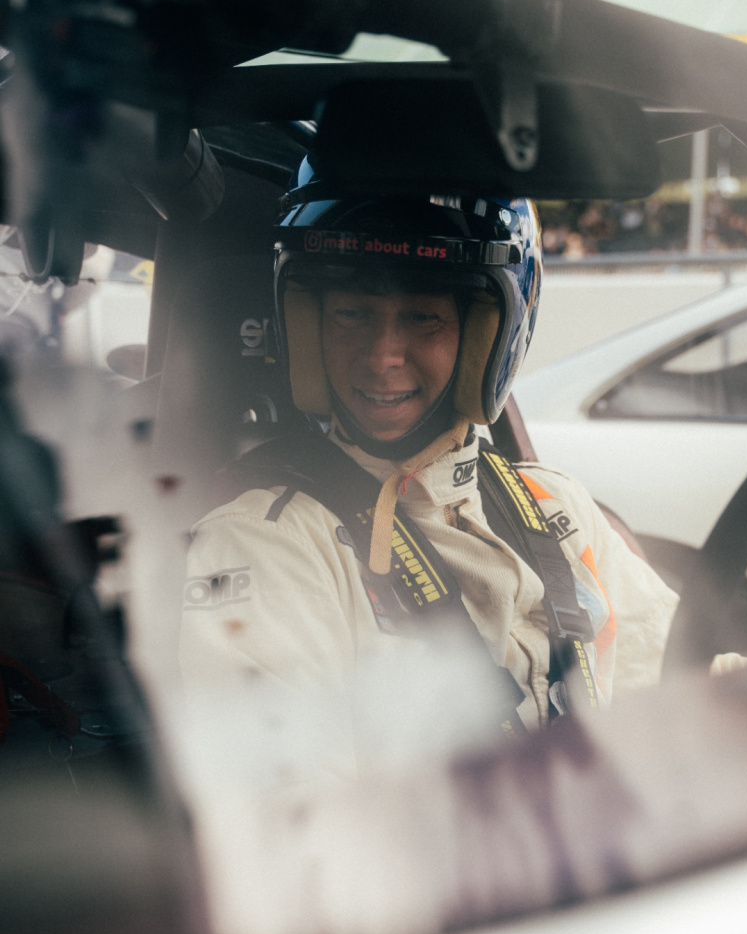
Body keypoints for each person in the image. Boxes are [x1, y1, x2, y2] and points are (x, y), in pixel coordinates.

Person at [178, 165, 678, 790]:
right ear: (309, 326)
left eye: (421, 318)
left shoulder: (555, 504)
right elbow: (292, 826)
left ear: (483, 338)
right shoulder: (264, 545)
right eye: (351, 314)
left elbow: (685, 681)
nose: (382, 356)